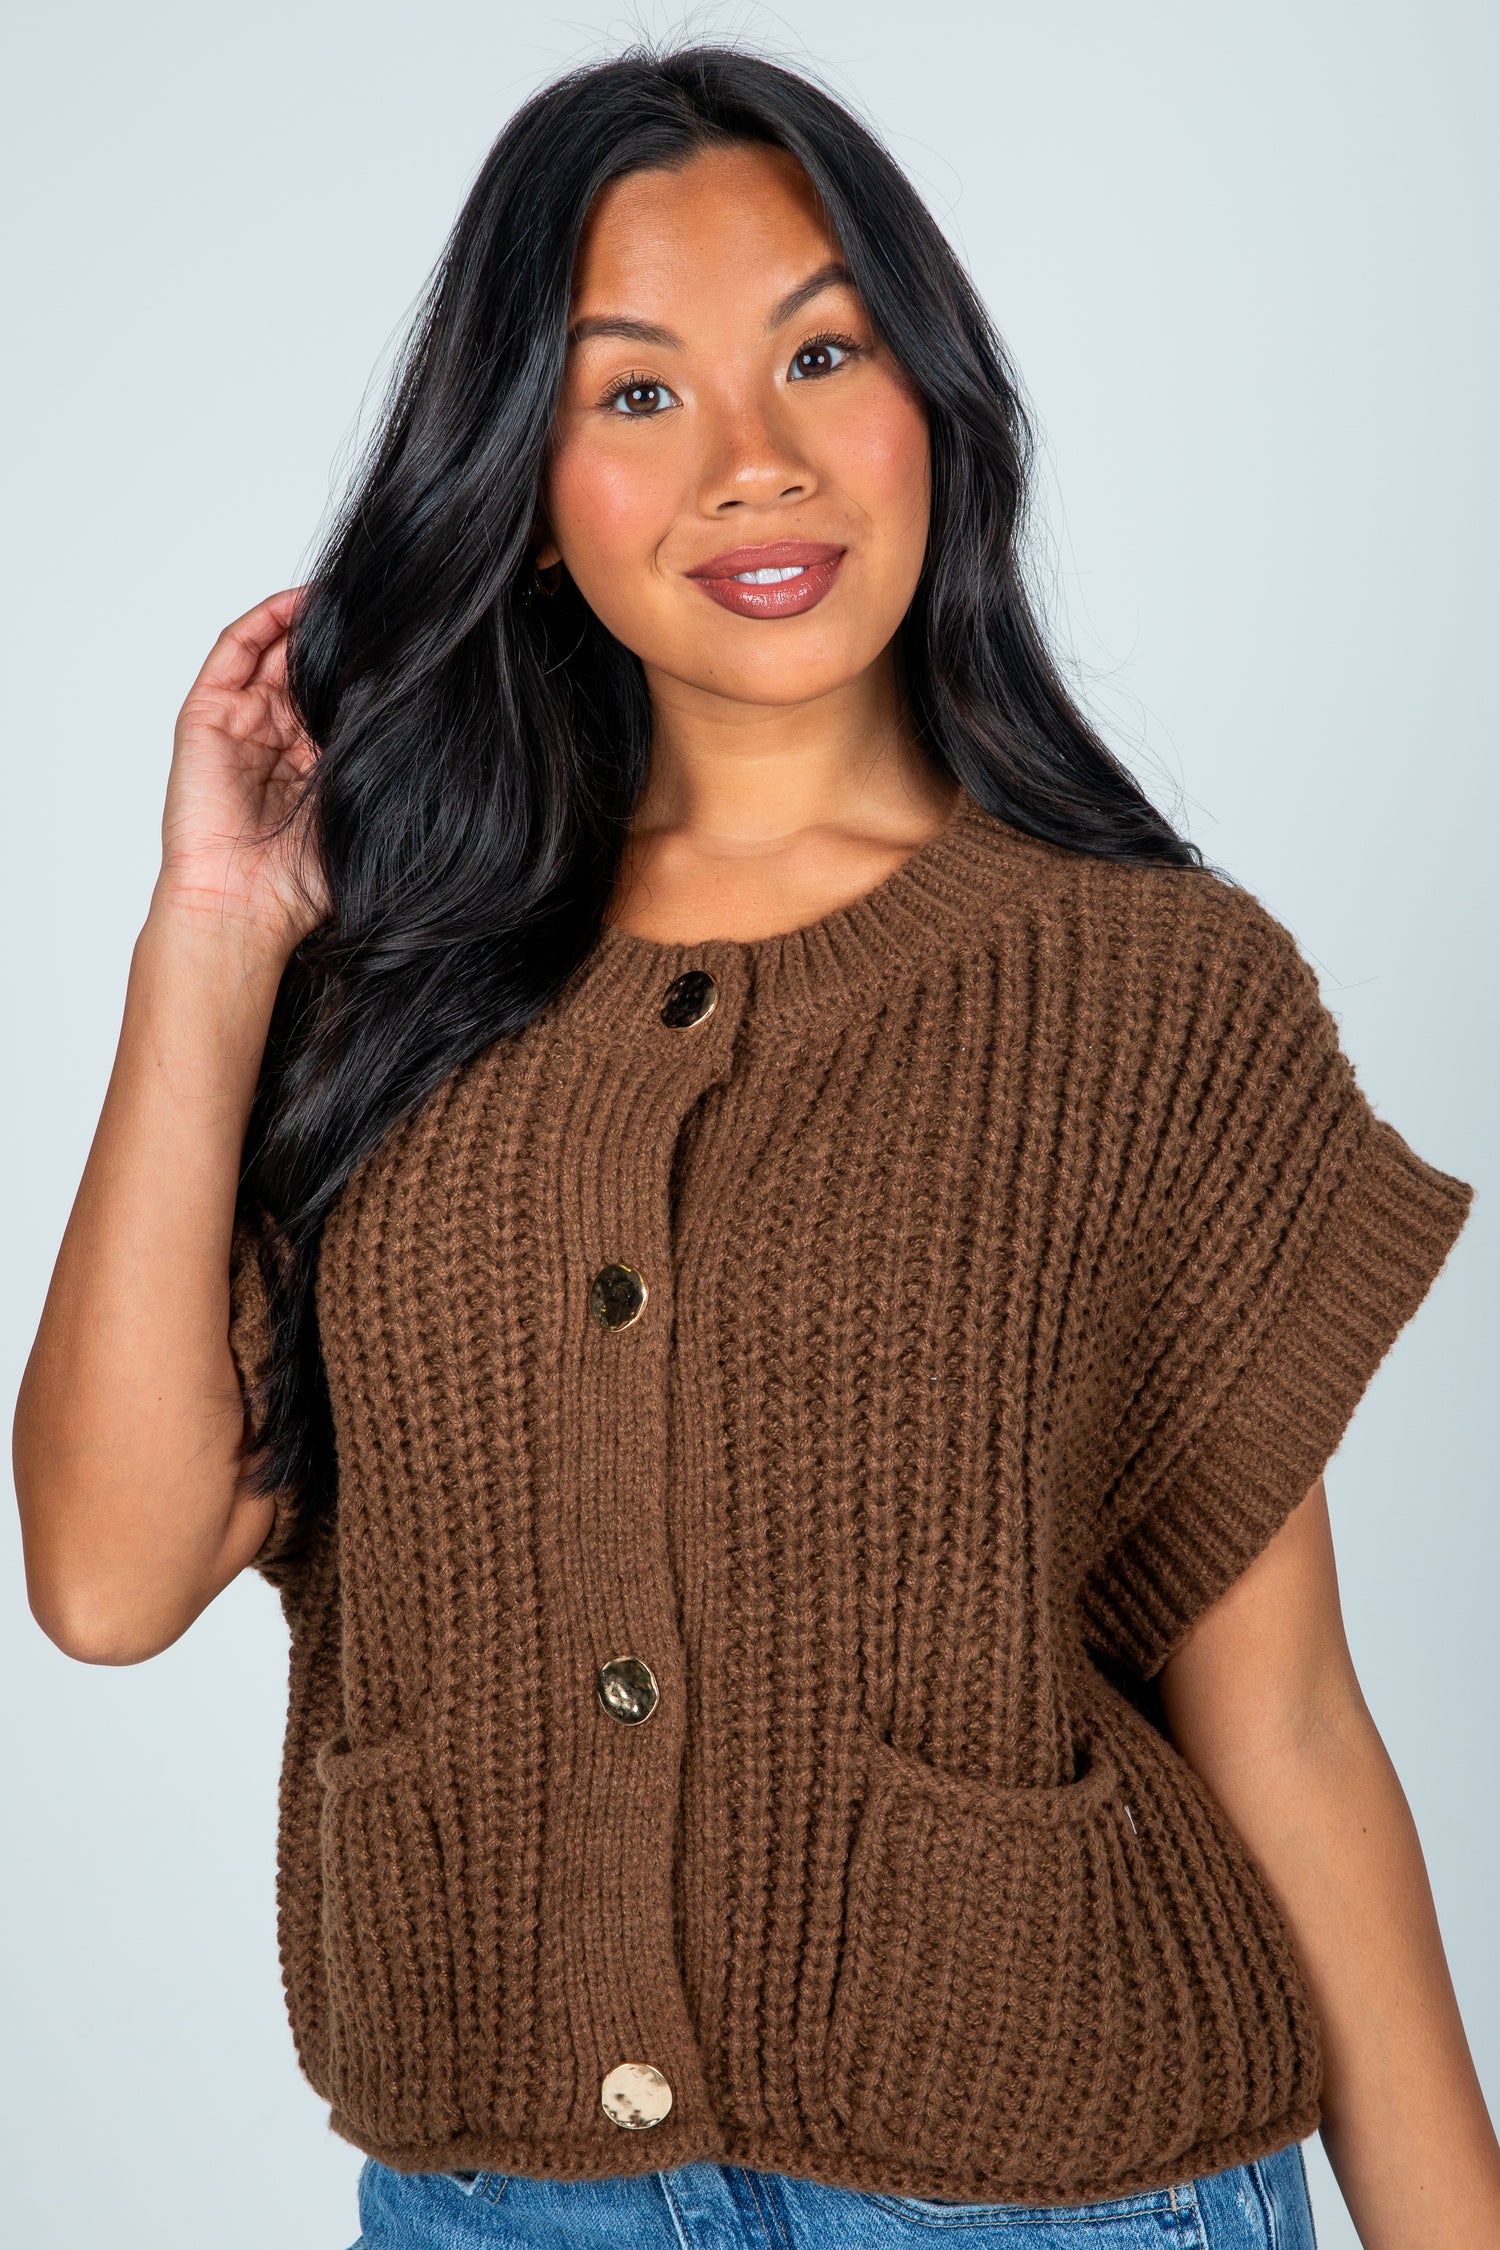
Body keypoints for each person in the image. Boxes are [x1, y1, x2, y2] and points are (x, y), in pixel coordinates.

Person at [13, 43, 1496, 2250]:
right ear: (521, 479)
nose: (755, 463)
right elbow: (110, 1578)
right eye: (636, 395)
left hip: (1061, 2197)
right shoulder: (395, 989)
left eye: (823, 351)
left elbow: (1279, 1720)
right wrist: (215, 941)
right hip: (501, 2199)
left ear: (936, 403)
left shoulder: (1154, 991)